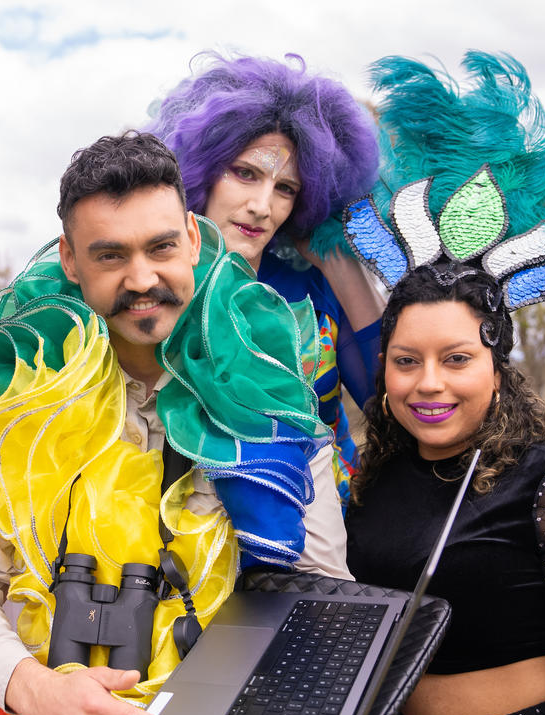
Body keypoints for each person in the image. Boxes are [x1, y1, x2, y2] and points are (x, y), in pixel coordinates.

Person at [0, 131, 348, 715]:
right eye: (110, 256)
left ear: (194, 240)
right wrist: (38, 691)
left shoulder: (273, 402)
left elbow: (322, 602)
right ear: (70, 261)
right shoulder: (26, 406)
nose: (142, 278)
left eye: (161, 247)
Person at [344, 51, 545, 715]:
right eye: (406, 362)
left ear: (497, 366)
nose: (428, 383)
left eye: (456, 359)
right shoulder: (378, 480)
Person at [147, 53, 382, 508]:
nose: (262, 205)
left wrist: (338, 262)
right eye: (245, 173)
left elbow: (395, 403)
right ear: (200, 171)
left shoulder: (312, 286)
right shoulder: (147, 285)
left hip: (330, 530)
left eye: (286, 189)